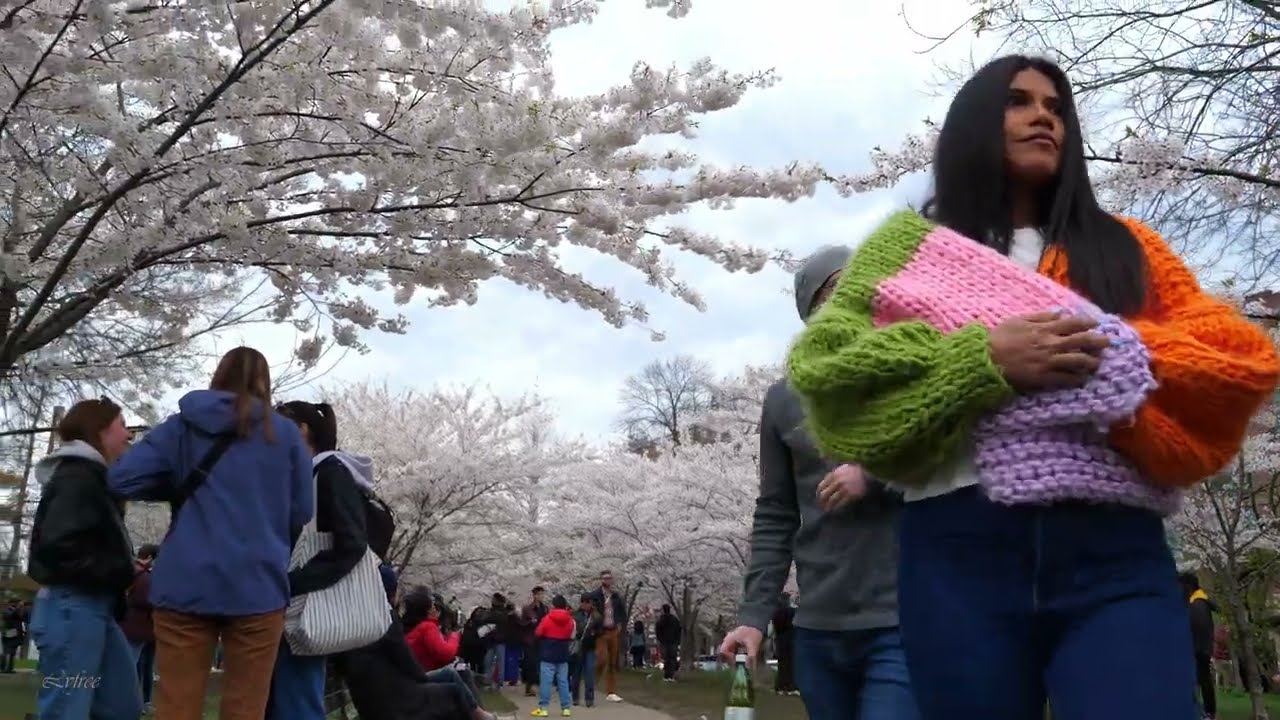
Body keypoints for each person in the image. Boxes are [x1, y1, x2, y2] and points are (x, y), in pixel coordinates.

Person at [785, 54, 1280, 720]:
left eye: (1055, 107)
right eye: (1018, 101)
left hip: (1115, 549)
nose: (1043, 116)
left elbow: (1236, 360)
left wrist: (1102, 353)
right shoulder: (906, 251)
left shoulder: (1127, 246)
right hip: (956, 551)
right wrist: (982, 359)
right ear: (972, 124)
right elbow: (831, 373)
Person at [718, 246, 915, 720]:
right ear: (812, 312)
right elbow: (776, 514)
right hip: (819, 627)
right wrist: (754, 616)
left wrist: (874, 475)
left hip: (902, 618)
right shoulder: (783, 400)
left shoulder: (910, 375)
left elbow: (952, 456)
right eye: (837, 289)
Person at [109, 346, 315, 720]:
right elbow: (302, 510)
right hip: (258, 583)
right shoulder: (284, 434)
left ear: (218, 375)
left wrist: (176, 485)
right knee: (246, 708)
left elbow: (122, 478)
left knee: (176, 704)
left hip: (185, 580)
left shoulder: (182, 427)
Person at [27, 397, 140, 719]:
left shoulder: (93, 478)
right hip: (72, 607)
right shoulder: (77, 477)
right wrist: (117, 570)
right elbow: (58, 547)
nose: (128, 435)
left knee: (121, 706)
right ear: (100, 430)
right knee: (67, 707)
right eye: (122, 426)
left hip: (95, 608)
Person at [268, 400, 373, 719]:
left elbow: (351, 543)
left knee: (295, 699)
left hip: (302, 605)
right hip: (284, 602)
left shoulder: (330, 472)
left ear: (305, 430)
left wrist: (293, 582)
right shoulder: (299, 476)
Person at [334, 565, 489, 720]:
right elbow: (415, 661)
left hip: (370, 700)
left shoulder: (349, 623)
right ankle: (479, 714)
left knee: (454, 675)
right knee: (454, 689)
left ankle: (479, 714)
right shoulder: (388, 620)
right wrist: (455, 637)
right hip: (397, 698)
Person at [118, 544, 160, 710]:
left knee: (134, 666)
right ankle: (130, 702)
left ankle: (137, 701)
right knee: (132, 666)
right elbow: (148, 601)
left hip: (128, 626)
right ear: (149, 558)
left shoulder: (130, 571)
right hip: (138, 629)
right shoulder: (144, 577)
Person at [1181, 572, 1219, 719]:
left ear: (1188, 586)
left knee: (1201, 680)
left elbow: (1197, 628)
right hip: (1202, 648)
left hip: (1198, 649)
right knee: (1203, 680)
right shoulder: (1199, 601)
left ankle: (1207, 712)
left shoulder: (1197, 605)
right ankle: (1207, 711)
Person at [587, 570, 627, 702]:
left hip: (613, 630)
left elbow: (621, 612)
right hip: (601, 632)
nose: (607, 580)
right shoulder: (595, 595)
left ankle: (611, 691)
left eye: (609, 578)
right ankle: (592, 681)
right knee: (602, 658)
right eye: (605, 578)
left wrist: (619, 623)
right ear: (601, 580)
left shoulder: (616, 596)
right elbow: (589, 611)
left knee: (612, 662)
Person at [534, 594, 576, 718]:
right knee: (563, 681)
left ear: (554, 605)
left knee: (546, 682)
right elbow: (572, 636)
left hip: (548, 653)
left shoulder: (547, 619)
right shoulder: (570, 621)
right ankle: (566, 708)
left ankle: (544, 708)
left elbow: (538, 632)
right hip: (562, 653)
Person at [405, 588, 462, 671]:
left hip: (414, 670)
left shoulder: (410, 624)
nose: (434, 608)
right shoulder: (427, 627)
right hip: (422, 673)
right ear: (426, 610)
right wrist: (454, 636)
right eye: (432, 606)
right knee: (457, 670)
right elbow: (445, 654)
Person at [569, 594, 600, 707]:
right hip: (579, 647)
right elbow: (573, 630)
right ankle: (575, 697)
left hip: (591, 647)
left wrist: (594, 633)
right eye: (585, 602)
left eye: (589, 603)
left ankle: (589, 698)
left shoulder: (596, 616)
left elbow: (601, 630)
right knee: (576, 673)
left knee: (590, 673)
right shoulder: (576, 616)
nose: (587, 605)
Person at [520, 586, 550, 696]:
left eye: (542, 594)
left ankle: (539, 684)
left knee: (541, 662)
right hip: (530, 639)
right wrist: (531, 621)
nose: (541, 596)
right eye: (539, 594)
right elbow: (522, 623)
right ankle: (529, 686)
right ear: (534, 595)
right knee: (530, 663)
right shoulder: (528, 609)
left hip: (542, 639)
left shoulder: (545, 608)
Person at [771, 594, 797, 694]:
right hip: (790, 640)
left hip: (780, 640)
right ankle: (790, 686)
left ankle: (781, 686)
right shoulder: (792, 612)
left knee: (782, 665)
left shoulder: (776, 613)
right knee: (790, 665)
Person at [655, 605, 681, 682]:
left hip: (665, 642)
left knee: (666, 659)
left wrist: (660, 639)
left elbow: (658, 631)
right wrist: (678, 640)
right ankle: (672, 676)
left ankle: (666, 676)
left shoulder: (661, 620)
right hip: (673, 641)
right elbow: (679, 630)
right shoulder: (675, 619)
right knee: (672, 659)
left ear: (663, 610)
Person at [1, 597, 23, 673]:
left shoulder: (17, 611)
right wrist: (17, 609)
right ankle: (4, 668)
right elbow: (9, 616)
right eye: (17, 603)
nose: (17, 604)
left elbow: (21, 618)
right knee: (7, 651)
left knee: (13, 652)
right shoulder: (7, 610)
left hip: (16, 633)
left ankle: (10, 668)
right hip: (9, 632)